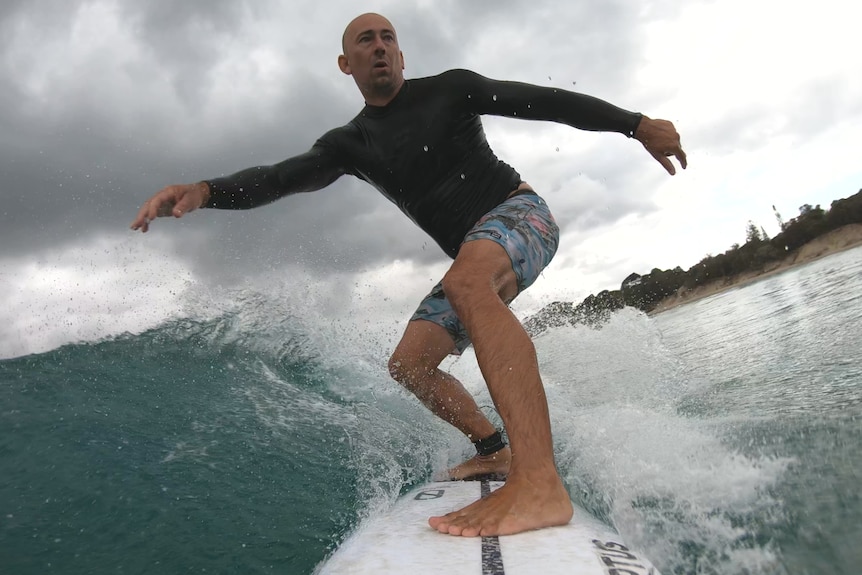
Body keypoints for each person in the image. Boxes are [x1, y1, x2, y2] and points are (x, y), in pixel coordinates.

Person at [131, 12, 687, 537]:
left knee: (465, 283)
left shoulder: (452, 89)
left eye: (388, 36)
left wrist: (634, 124)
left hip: (522, 217)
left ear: (400, 52)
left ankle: (540, 482)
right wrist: (204, 191)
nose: (379, 45)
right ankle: (494, 446)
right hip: (474, 253)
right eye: (365, 40)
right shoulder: (351, 143)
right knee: (410, 364)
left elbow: (542, 102)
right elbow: (278, 178)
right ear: (345, 63)